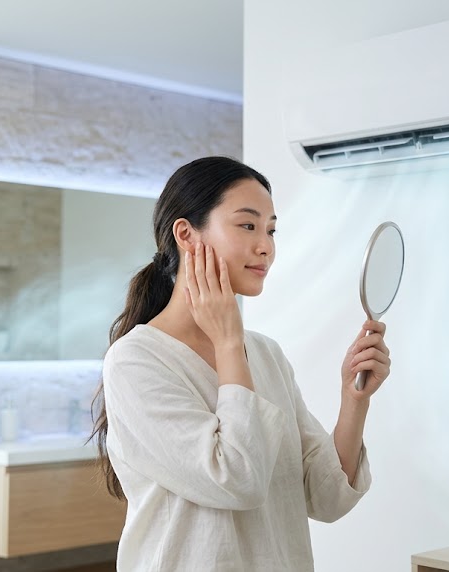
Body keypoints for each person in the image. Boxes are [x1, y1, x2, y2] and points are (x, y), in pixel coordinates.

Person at [90, 156, 391, 571]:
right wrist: (229, 340)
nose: (265, 245)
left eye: (271, 229)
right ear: (186, 234)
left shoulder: (265, 354)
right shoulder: (136, 361)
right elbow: (236, 480)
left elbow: (327, 498)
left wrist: (354, 398)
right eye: (247, 225)